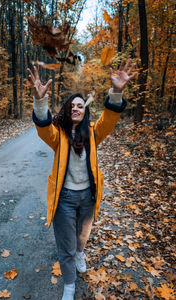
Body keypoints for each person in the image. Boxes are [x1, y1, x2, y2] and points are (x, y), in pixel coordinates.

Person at [27, 59, 137, 300]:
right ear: (67, 111)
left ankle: (80, 252)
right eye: (71, 106)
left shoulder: (94, 133)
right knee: (65, 246)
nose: (76, 108)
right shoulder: (59, 136)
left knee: (81, 238)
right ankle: (69, 284)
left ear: (85, 111)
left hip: (88, 197)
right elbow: (44, 126)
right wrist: (39, 100)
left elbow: (110, 117)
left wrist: (117, 91)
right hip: (64, 199)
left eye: (80, 105)